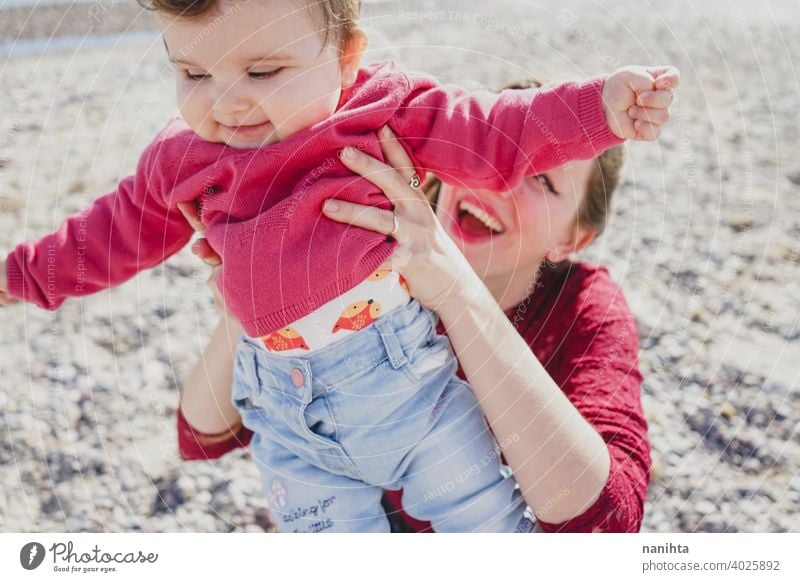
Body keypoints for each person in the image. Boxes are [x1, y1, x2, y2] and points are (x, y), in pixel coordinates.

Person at [0, 0, 677, 532]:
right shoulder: (185, 159)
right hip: (281, 407)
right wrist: (16, 277)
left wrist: (602, 110)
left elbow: (497, 129)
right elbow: (103, 239)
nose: (227, 102)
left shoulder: (381, 116)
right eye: (193, 73)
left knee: (490, 527)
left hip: (402, 393)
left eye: (263, 72)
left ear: (347, 56)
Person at [176, 78, 652, 534]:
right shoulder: (363, 244)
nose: (499, 185)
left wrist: (456, 293)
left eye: (543, 182)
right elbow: (203, 434)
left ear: (574, 238)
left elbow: (609, 525)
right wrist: (246, 307)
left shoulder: (584, 309)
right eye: (497, 159)